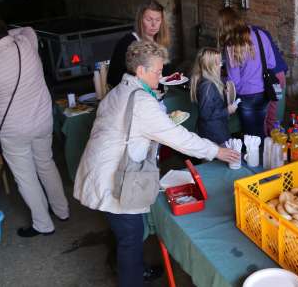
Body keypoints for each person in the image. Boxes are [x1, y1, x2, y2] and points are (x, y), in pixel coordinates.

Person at [73, 40, 239, 287]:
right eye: (157, 71)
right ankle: (131, 278)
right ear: (140, 71)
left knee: (128, 234)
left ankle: (135, 270)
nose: (161, 76)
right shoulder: (141, 103)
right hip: (115, 179)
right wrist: (216, 151)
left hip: (104, 170)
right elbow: (179, 138)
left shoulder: (121, 90)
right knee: (130, 238)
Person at [0, 13, 69, 237]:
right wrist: (5, 36)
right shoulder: (26, 42)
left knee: (26, 177)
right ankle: (62, 210)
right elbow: (27, 27)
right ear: (3, 30)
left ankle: (43, 224)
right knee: (46, 163)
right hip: (42, 120)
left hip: (14, 130)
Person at [217, 7, 276, 139]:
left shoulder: (231, 44)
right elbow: (272, 63)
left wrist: (221, 78)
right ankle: (262, 156)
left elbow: (234, 82)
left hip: (246, 95)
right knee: (260, 131)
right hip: (264, 90)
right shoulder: (261, 34)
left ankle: (253, 157)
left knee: (250, 136)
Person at [108, 1, 172, 88]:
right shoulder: (127, 43)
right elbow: (113, 78)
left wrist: (170, 78)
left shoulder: (160, 42)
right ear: (140, 20)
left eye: (158, 20)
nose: (154, 24)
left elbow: (163, 74)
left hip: (159, 96)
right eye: (149, 20)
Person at [190, 47, 238, 145]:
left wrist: (225, 94)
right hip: (214, 133)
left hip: (213, 130)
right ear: (210, 66)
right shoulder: (208, 86)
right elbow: (205, 114)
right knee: (219, 159)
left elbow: (213, 103)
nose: (221, 65)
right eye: (219, 63)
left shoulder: (207, 81)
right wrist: (227, 110)